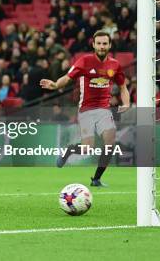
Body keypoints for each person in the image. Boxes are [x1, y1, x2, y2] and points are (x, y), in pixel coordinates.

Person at [40, 31, 130, 187]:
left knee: (110, 143)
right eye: (99, 43)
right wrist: (55, 84)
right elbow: (68, 78)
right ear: (93, 44)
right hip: (86, 109)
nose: (102, 47)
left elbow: (123, 87)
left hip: (104, 110)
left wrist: (126, 103)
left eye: (105, 44)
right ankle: (68, 151)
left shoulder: (114, 65)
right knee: (88, 148)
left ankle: (96, 179)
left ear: (109, 45)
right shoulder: (85, 61)